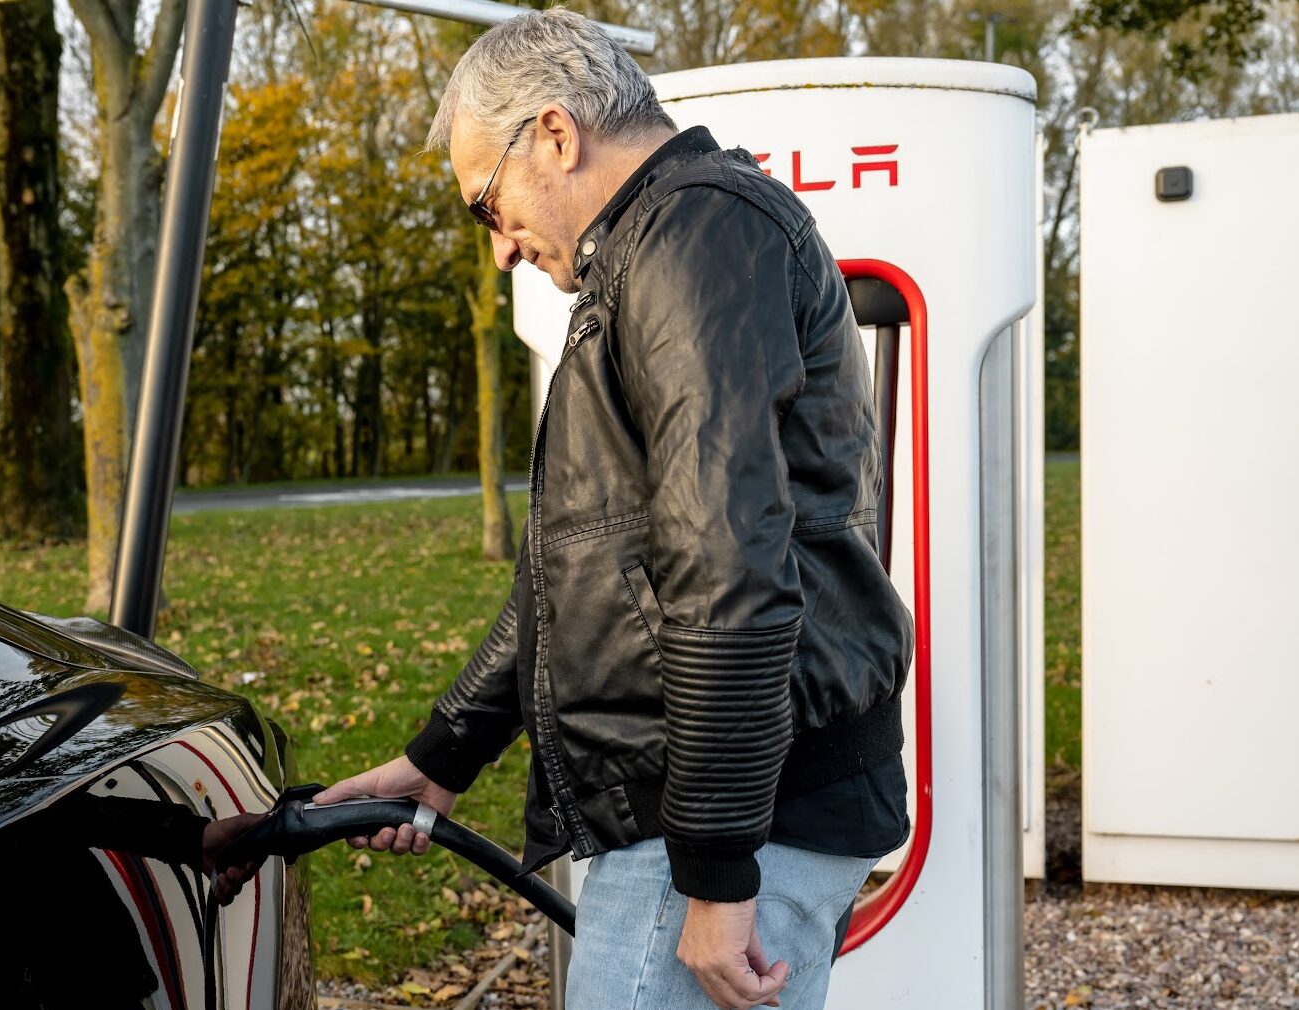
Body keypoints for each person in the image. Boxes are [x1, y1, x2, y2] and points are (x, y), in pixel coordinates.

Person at [313, 10, 914, 1010]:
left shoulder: (696, 234)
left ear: (554, 133)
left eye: (486, 207)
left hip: (738, 815)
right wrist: (442, 751)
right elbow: (581, 565)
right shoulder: (655, 248)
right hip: (713, 807)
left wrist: (719, 868)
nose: (499, 247)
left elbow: (728, 564)